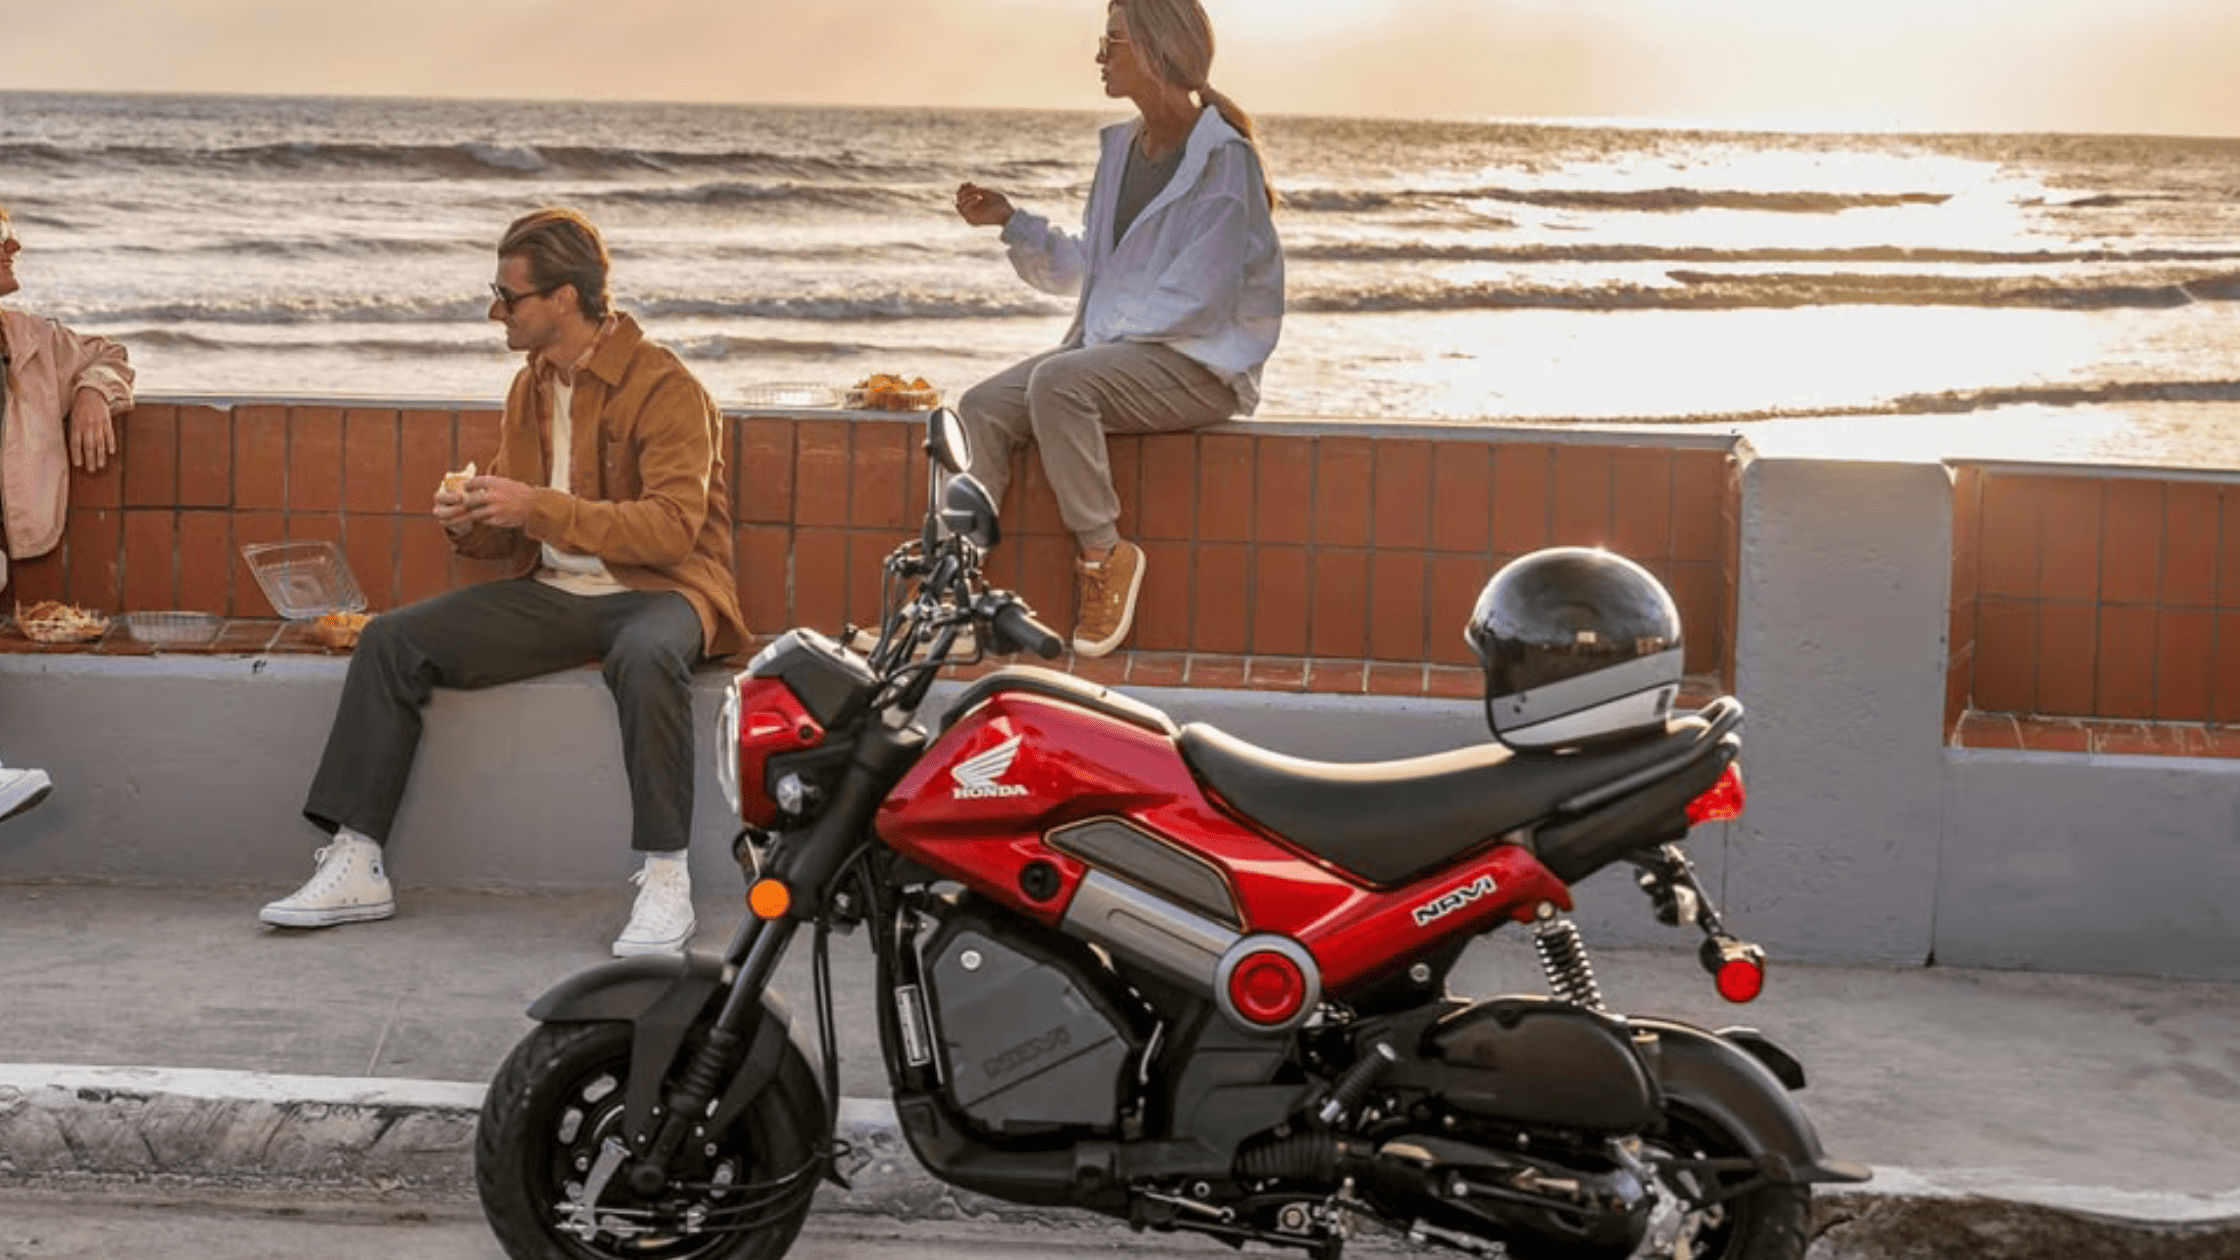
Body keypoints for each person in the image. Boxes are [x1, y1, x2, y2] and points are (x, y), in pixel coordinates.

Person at [260, 208, 746, 955]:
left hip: (664, 592)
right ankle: (359, 861)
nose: (495, 311)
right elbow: (516, 522)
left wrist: (537, 507)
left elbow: (671, 529)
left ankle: (665, 880)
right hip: (554, 594)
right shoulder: (530, 386)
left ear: (566, 298)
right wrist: (471, 519)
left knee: (646, 658)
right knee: (392, 639)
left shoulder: (666, 386)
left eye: (507, 296)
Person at [952, 0, 1283, 658]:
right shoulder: (1120, 149)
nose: (1100, 54)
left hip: (1201, 366)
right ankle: (955, 597)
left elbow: (1201, 296)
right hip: (1121, 361)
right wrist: (1012, 222)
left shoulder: (1224, 162)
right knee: (981, 406)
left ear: (1158, 52)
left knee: (1059, 383)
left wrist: (1094, 352)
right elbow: (1096, 270)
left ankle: (1106, 556)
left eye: (1114, 41)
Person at [0, 202, 133, 824]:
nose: (14, 243)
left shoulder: (28, 340)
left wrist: (89, 393)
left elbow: (109, 353)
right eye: (0, 234)